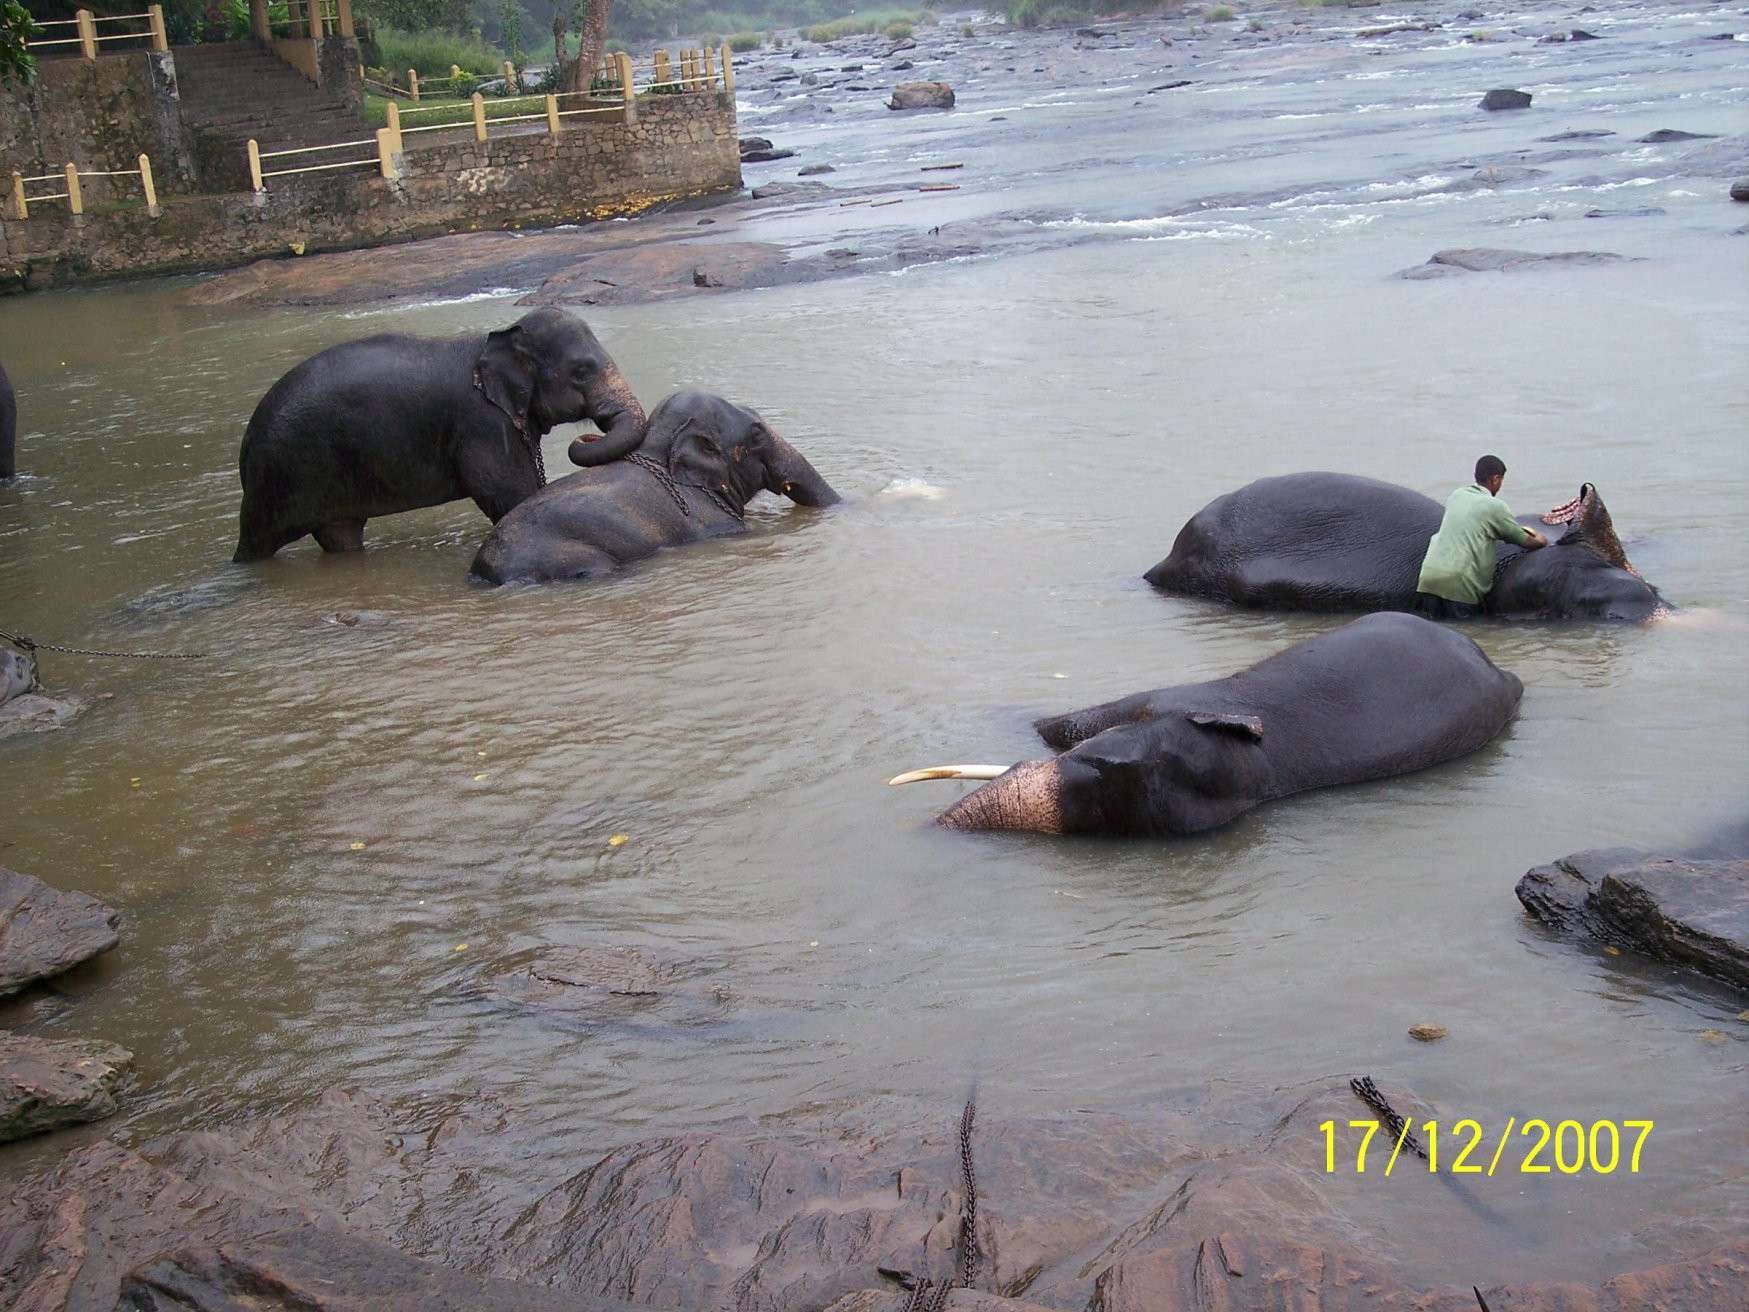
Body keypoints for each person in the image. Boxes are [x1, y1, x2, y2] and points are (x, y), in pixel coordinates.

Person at [1414, 455, 1547, 620]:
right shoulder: (1495, 506)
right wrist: (1542, 538)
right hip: (1459, 585)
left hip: (1429, 579)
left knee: (1437, 637)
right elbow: (1525, 541)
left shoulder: (1457, 495)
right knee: (1465, 636)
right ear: (1496, 479)